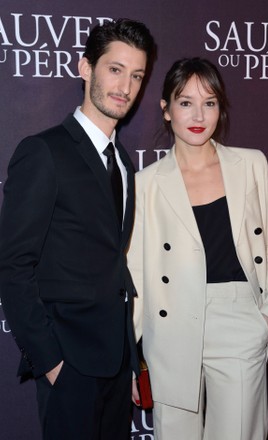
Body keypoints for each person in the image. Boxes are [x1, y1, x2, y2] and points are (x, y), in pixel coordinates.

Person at [0, 18, 155, 440]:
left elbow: (113, 269)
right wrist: (51, 363)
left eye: (136, 75)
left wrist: (129, 361)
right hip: (69, 366)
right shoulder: (44, 152)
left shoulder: (123, 164)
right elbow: (14, 266)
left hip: (115, 365)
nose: (125, 85)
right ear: (85, 68)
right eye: (115, 69)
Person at [129, 57, 268, 440]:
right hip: (169, 328)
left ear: (220, 108)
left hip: (239, 320)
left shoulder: (251, 164)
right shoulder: (145, 183)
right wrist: (134, 360)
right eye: (185, 102)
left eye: (210, 102)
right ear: (166, 110)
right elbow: (136, 274)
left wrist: (267, 316)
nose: (199, 114)